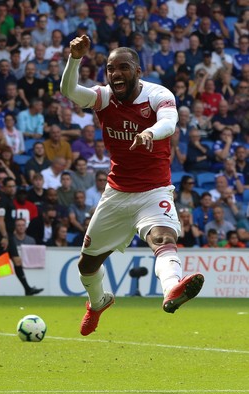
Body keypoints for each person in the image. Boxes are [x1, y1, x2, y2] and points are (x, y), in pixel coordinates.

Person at [60, 35, 204, 336]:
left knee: (162, 237)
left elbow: (170, 123)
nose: (115, 74)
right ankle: (98, 302)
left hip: (154, 191)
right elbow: (69, 90)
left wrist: (150, 132)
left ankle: (171, 290)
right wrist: (74, 59)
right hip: (117, 194)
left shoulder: (157, 95)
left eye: (123, 68)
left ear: (137, 70)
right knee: (87, 265)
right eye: (111, 69)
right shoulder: (103, 98)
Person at [0, 177, 43, 295]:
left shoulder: (9, 200)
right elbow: (0, 220)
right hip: (3, 236)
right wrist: (4, 237)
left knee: (15, 261)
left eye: (14, 186)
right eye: (9, 186)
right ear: (3, 187)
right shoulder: (3, 201)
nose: (12, 188)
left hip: (8, 235)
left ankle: (27, 289)